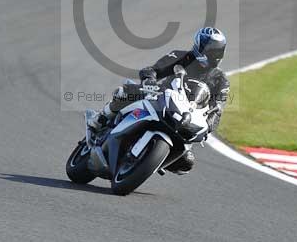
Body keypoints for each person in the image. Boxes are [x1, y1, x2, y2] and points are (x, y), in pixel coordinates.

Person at [87, 27, 230, 174]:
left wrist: (208, 126)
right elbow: (153, 70)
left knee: (186, 162)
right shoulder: (181, 57)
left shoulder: (220, 80)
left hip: (186, 116)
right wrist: (150, 80)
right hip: (160, 97)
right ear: (199, 46)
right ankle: (99, 119)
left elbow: (217, 108)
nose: (212, 55)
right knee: (127, 91)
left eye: (216, 52)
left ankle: (153, 160)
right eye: (210, 50)